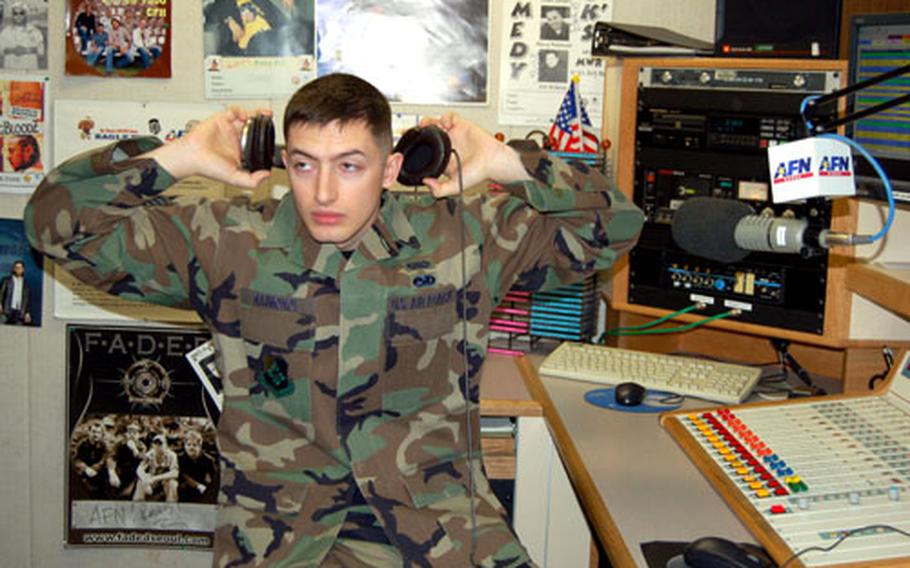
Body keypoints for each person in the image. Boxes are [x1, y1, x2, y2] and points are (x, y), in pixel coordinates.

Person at [25, 72, 643, 566]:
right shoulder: (229, 241)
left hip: (440, 528)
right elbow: (55, 225)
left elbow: (618, 227)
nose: (323, 193)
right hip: (281, 535)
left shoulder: (463, 237)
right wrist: (179, 158)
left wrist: (507, 163)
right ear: (281, 160)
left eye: (349, 165)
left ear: (393, 168)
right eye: (302, 164)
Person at [133, 434, 179, 502]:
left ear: (165, 445)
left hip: (165, 481)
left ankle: (171, 508)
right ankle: (137, 508)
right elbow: (139, 469)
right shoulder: (149, 455)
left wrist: (155, 478)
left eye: (160, 444)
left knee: (172, 484)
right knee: (140, 483)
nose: (157, 446)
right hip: (152, 482)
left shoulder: (172, 455)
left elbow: (175, 473)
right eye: (155, 444)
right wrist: (145, 479)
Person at [107, 421, 146, 499]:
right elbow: (111, 458)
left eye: (134, 433)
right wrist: (112, 472)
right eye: (130, 432)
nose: (131, 435)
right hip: (120, 473)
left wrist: (134, 449)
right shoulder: (120, 444)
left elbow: (143, 460)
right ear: (126, 434)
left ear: (139, 435)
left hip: (134, 476)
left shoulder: (141, 446)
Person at [72, 421, 111, 499]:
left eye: (98, 432)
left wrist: (94, 469)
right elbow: (76, 459)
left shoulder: (104, 445)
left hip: (99, 475)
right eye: (93, 432)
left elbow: (104, 459)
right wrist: (85, 468)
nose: (95, 435)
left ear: (101, 434)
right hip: (84, 474)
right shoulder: (82, 444)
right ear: (89, 432)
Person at [0, 2, 45, 69]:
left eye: (21, 13)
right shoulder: (5, 32)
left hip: (29, 71)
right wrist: (13, 50)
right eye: (15, 13)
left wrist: (26, 50)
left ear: (25, 15)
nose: (18, 16)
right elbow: (1, 50)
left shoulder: (35, 32)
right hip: (11, 71)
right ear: (12, 15)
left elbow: (41, 51)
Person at [177, 429, 218, 503]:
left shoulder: (209, 460)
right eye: (188, 444)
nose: (191, 448)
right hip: (185, 488)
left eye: (194, 445)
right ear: (185, 445)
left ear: (200, 446)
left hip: (203, 488)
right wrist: (197, 485)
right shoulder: (179, 458)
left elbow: (214, 478)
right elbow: (180, 474)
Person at [0, 259, 31, 325]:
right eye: (16, 267)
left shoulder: (26, 284)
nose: (18, 269)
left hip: (20, 312)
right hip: (6, 310)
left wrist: (27, 313)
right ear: (13, 269)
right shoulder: (6, 280)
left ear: (23, 269)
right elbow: (1, 293)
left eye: (20, 268)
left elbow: (27, 299)